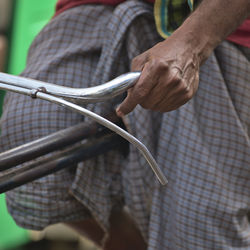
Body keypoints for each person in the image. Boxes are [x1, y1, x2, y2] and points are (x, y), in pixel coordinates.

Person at [0, 0, 249, 249]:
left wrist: (191, 46)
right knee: (27, 140)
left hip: (215, 23)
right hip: (95, 7)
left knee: (198, 222)